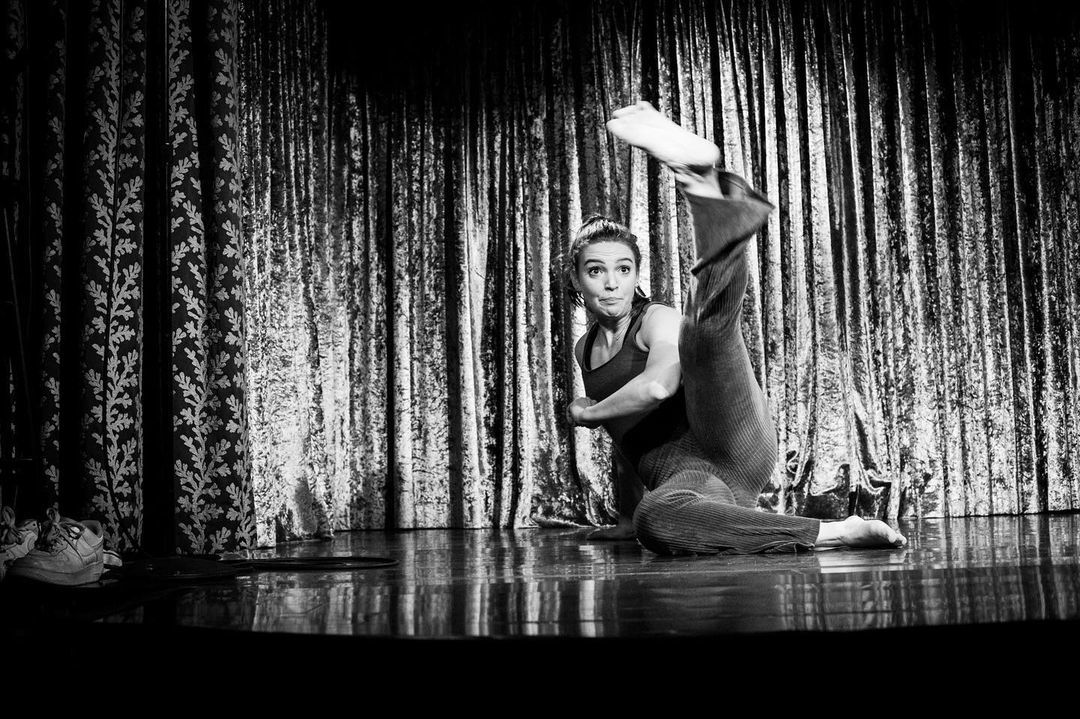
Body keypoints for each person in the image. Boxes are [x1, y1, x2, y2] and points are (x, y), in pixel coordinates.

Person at [565, 101, 906, 554]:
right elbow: (625, 443)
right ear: (576, 279)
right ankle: (834, 532)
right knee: (655, 519)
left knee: (702, 333)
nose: (611, 283)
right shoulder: (585, 349)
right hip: (691, 479)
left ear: (635, 275)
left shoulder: (655, 320)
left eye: (623, 269)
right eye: (596, 270)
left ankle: (702, 184)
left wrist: (587, 413)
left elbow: (658, 387)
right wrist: (629, 519)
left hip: (728, 435)